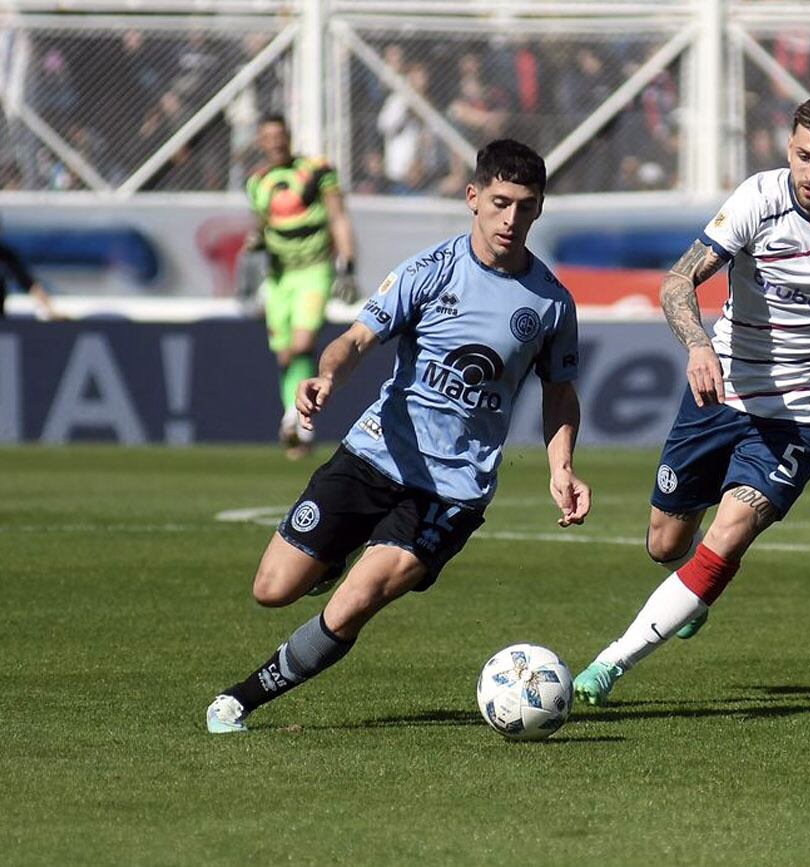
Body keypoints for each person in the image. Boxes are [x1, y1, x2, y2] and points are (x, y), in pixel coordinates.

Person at [206, 139, 591, 733]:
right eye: (500, 202)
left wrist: (560, 466)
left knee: (360, 598)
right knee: (272, 589)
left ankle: (243, 698)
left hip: (450, 491)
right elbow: (356, 340)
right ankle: (328, 561)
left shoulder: (550, 305)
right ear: (473, 198)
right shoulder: (428, 271)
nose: (511, 218)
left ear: (539, 209)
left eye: (525, 206)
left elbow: (560, 393)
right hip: (373, 455)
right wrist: (326, 377)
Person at [572, 93, 810, 705]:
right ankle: (692, 589)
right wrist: (696, 345)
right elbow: (677, 280)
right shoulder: (758, 200)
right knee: (666, 544)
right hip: (719, 395)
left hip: (799, 417)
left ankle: (609, 664)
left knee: (733, 529)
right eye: (801, 156)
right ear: (787, 148)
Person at [244, 114, 359, 459]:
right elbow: (263, 225)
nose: (276, 142)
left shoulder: (317, 170)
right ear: (260, 143)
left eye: (281, 135)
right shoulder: (258, 182)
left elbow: (338, 216)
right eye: (268, 137)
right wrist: (256, 242)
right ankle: (298, 427)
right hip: (279, 275)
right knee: (285, 354)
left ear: (289, 137)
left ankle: (292, 419)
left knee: (302, 343)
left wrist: (348, 264)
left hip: (314, 268)